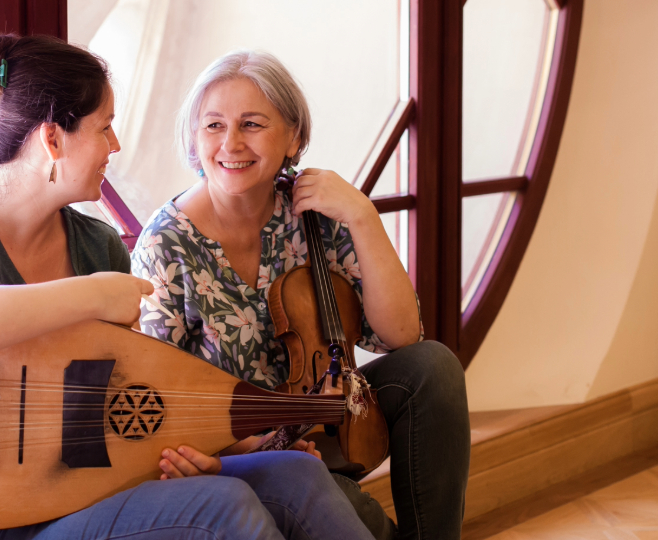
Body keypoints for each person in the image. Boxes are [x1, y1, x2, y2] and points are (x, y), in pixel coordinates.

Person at [0, 34, 376, 540]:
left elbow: (124, 412)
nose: (114, 145)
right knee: (222, 506)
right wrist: (92, 295)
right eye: (104, 127)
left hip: (92, 492)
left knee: (295, 473)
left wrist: (222, 452)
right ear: (53, 140)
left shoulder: (97, 245)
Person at [131, 50, 471, 540]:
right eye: (212, 125)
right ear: (193, 137)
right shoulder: (166, 243)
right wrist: (251, 448)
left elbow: (402, 335)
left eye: (252, 124)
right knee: (361, 519)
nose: (230, 143)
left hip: (331, 421)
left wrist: (362, 216)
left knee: (433, 367)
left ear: (294, 136)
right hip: (239, 450)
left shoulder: (313, 210)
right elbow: (159, 398)